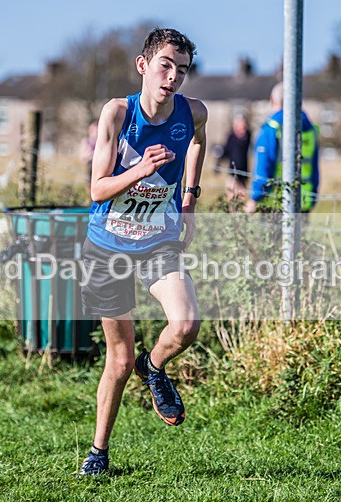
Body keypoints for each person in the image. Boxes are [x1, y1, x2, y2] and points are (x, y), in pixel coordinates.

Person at [78, 28, 207, 476]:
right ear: (143, 66)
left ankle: (155, 369)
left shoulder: (193, 112)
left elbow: (196, 140)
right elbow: (97, 189)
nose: (173, 77)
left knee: (186, 323)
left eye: (182, 70)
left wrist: (189, 201)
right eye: (166, 66)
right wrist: (140, 170)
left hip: (158, 240)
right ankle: (98, 453)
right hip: (107, 245)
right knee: (119, 359)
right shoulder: (117, 113)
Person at [244, 83, 319, 213]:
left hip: (275, 201)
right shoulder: (310, 127)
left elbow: (264, 164)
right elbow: (314, 167)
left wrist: (256, 196)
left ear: (273, 100)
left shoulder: (272, 126)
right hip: (304, 200)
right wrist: (313, 196)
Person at [215, 113, 251, 201]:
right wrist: (218, 165)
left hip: (243, 172)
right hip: (232, 173)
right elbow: (225, 151)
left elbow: (243, 142)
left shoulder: (247, 136)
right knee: (231, 197)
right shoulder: (231, 137)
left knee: (242, 197)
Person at [81, 120, 98, 194]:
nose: (95, 132)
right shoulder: (86, 141)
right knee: (90, 187)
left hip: (100, 167)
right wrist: (89, 155)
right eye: (93, 130)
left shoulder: (103, 141)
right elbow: (82, 158)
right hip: (90, 168)